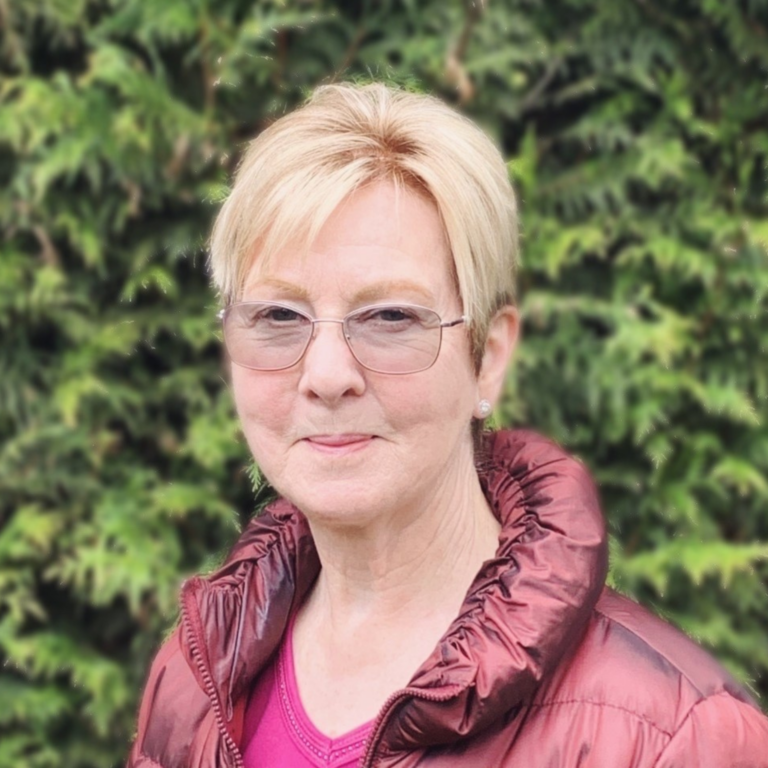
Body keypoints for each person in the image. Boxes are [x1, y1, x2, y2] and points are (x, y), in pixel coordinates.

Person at [126, 83, 768, 768]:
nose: (326, 374)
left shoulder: (670, 735)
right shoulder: (199, 676)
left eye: (391, 317)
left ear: (488, 358)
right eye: (278, 317)